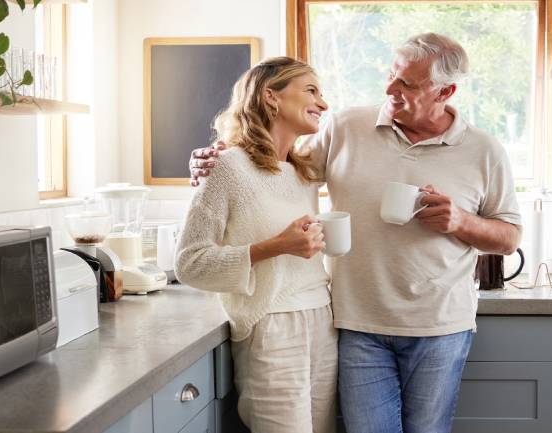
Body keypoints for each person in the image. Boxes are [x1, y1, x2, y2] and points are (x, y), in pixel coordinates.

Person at [190, 33, 522, 433]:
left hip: (440, 325)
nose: (389, 89)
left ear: (445, 91)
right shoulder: (346, 126)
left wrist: (461, 221)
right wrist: (215, 157)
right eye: (391, 76)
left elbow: (509, 238)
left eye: (407, 84)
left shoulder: (483, 150)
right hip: (355, 323)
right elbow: (278, 168)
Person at [174, 56, 338, 433]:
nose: (323, 103)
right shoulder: (228, 167)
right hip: (271, 326)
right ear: (272, 96)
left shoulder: (305, 171)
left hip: (321, 320)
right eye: (311, 91)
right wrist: (276, 246)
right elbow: (190, 263)